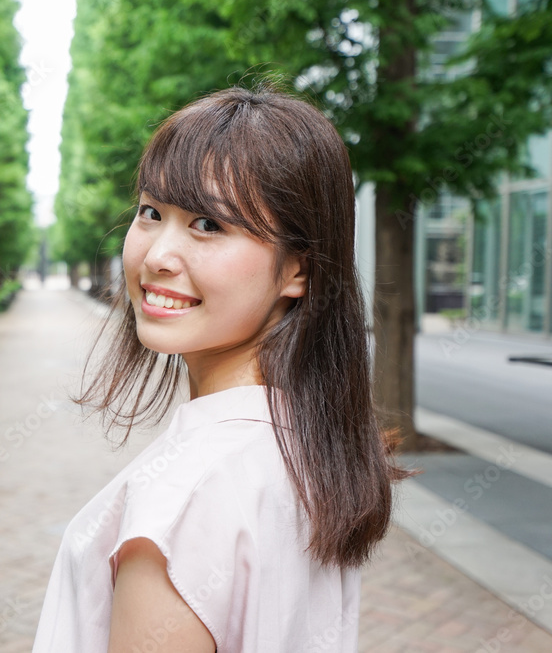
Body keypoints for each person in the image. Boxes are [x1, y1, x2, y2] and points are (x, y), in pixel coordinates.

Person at [31, 85, 410, 653]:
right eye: (151, 212)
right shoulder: (310, 450)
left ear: (297, 272)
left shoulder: (187, 493)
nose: (157, 254)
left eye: (208, 225)